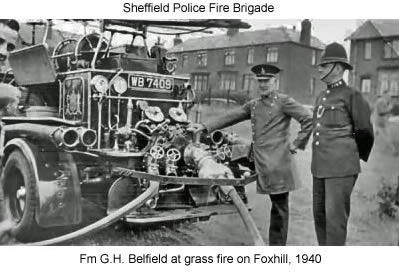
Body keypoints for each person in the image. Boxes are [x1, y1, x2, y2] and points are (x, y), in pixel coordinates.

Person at [189, 64, 313, 245]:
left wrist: (296, 144)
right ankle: (224, 197)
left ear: (275, 82)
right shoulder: (254, 105)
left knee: (279, 208)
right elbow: (233, 115)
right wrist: (205, 126)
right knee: (227, 156)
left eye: (267, 81)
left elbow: (308, 118)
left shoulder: (284, 101)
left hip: (277, 163)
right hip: (258, 157)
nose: (263, 85)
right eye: (260, 81)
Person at [312, 42, 374, 246]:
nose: (319, 69)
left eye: (324, 65)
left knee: (335, 221)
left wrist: (348, 158)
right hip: (320, 167)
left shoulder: (352, 95)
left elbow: (364, 132)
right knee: (320, 217)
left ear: (338, 68)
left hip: (340, 168)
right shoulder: (322, 97)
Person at [374, 89, 397, 155]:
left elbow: (383, 112)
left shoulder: (384, 101)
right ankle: (394, 150)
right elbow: (381, 112)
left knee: (378, 135)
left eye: (389, 95)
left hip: (380, 121)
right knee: (386, 136)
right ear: (384, 95)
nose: (389, 96)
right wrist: (389, 109)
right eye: (388, 95)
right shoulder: (381, 101)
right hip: (380, 121)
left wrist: (388, 113)